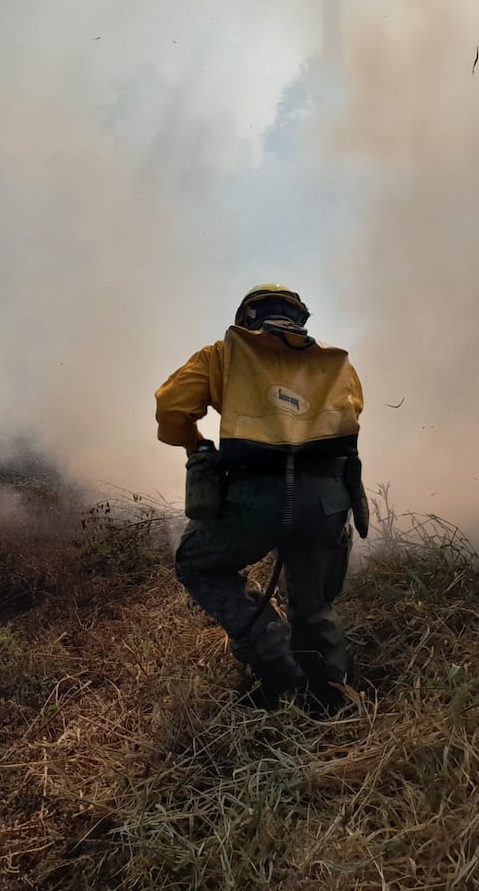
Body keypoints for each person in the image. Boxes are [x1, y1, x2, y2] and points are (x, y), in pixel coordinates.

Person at [155, 283, 369, 711]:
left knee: (198, 564)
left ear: (246, 317)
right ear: (299, 318)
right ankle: (335, 700)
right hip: (326, 499)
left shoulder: (223, 354)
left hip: (256, 496)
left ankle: (275, 660)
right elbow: (351, 420)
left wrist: (195, 445)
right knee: (313, 601)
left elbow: (171, 408)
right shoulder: (334, 363)